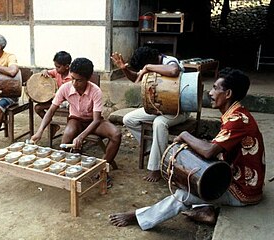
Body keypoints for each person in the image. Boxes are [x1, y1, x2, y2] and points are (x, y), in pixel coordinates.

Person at [109, 68, 265, 230]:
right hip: (236, 177)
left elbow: (209, 151)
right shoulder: (238, 113)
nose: (210, 93)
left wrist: (184, 135)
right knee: (189, 179)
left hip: (242, 191)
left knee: (183, 195)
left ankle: (139, 217)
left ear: (228, 94)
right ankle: (206, 211)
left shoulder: (236, 120)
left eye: (215, 88)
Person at [111, 46, 190, 182]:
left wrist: (148, 67)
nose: (144, 69)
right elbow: (136, 78)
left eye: (144, 66)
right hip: (158, 107)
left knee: (159, 123)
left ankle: (156, 168)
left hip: (178, 109)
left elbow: (174, 71)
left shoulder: (169, 61)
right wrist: (124, 68)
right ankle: (155, 148)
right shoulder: (150, 65)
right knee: (129, 119)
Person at [31, 57, 121, 170]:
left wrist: (81, 136)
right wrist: (40, 132)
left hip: (93, 122)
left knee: (116, 134)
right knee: (67, 137)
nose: (74, 83)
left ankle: (102, 168)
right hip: (76, 120)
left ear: (87, 79)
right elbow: (51, 111)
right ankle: (70, 166)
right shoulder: (65, 88)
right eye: (72, 78)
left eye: (79, 80)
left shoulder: (95, 91)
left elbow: (97, 119)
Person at [35, 51, 72, 138]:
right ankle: (53, 126)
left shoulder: (72, 77)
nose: (56, 69)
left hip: (68, 102)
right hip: (58, 100)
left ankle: (70, 133)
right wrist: (44, 71)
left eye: (58, 67)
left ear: (67, 66)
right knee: (37, 108)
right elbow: (47, 72)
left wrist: (56, 95)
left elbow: (70, 95)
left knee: (71, 112)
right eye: (55, 66)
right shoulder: (57, 72)